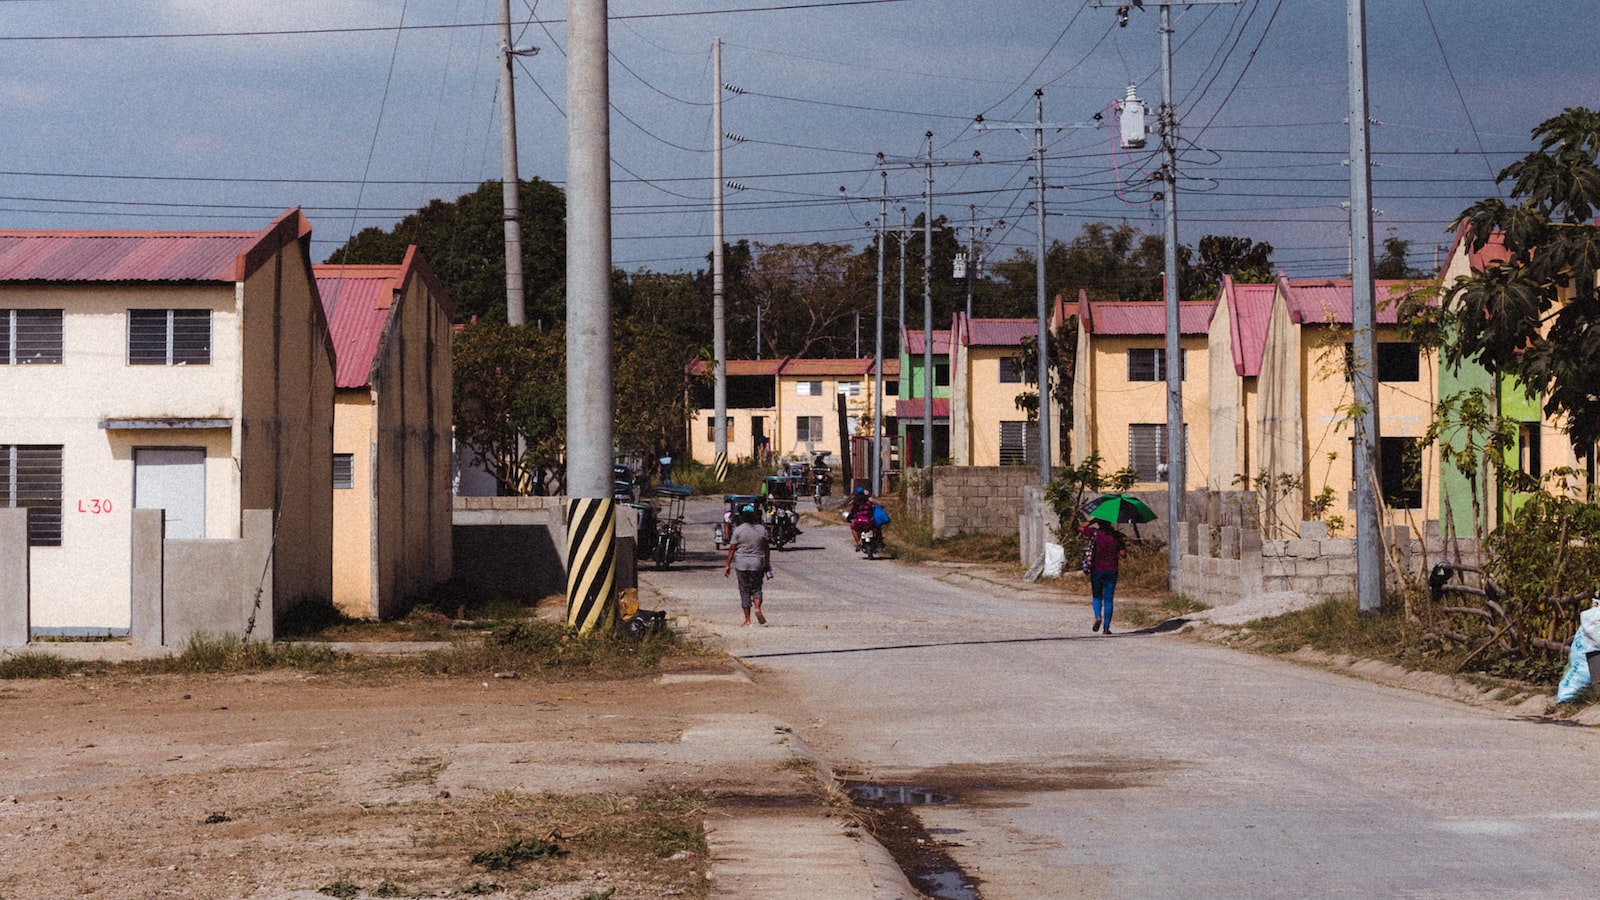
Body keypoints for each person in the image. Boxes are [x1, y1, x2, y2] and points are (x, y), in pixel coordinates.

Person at [723, 503, 772, 626]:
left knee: (744, 590)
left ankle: (747, 620)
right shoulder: (761, 529)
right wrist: (767, 563)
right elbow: (766, 549)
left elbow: (732, 548)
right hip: (757, 563)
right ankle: (757, 608)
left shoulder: (738, 530)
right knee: (757, 588)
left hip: (742, 564)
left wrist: (727, 565)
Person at [1080, 518, 1127, 634]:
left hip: (1097, 569)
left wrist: (1092, 520)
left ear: (1099, 522)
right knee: (1108, 599)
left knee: (1097, 596)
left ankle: (1097, 617)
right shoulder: (1116, 536)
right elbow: (1123, 554)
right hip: (1112, 570)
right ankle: (1106, 628)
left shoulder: (1095, 533)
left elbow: (1081, 528)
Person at [846, 486, 877, 551]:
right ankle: (876, 540)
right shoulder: (869, 503)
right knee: (875, 527)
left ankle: (858, 543)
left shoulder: (855, 504)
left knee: (853, 528)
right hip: (869, 521)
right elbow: (874, 509)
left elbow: (852, 513)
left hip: (859, 522)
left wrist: (849, 518)